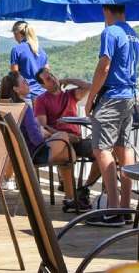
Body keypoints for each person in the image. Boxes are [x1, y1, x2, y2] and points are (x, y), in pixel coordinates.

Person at [83, 4, 139, 227]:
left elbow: (104, 67)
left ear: (106, 10)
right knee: (123, 148)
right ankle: (126, 209)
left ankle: (113, 210)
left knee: (101, 148)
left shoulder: (111, 32)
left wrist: (90, 99)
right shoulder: (134, 34)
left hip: (112, 96)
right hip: (128, 96)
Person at [0, 72, 88, 212]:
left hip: (21, 153)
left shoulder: (9, 106)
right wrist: (45, 134)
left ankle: (71, 199)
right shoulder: (25, 108)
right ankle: (72, 198)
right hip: (34, 154)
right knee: (65, 142)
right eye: (24, 82)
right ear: (16, 89)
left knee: (66, 152)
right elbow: (36, 139)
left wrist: (45, 133)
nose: (27, 84)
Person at [33, 67, 100, 201]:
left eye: (51, 75)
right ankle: (70, 197)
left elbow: (90, 86)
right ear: (43, 85)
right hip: (61, 141)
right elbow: (43, 126)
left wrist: (68, 80)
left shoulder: (70, 94)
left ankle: (84, 188)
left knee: (103, 152)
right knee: (66, 154)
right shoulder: (41, 100)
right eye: (47, 79)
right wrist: (65, 135)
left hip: (78, 140)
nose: (52, 79)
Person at [10, 21, 48, 99]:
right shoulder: (42, 52)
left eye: (14, 34)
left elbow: (15, 75)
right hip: (42, 95)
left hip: (26, 95)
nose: (14, 38)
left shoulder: (17, 49)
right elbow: (47, 73)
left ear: (18, 33)